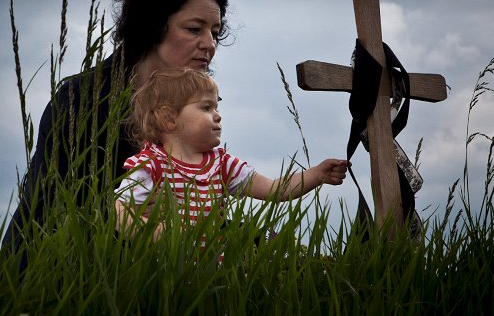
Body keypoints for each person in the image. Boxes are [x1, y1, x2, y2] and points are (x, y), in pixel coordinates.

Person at [2, 0, 231, 271]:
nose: (209, 44)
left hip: (153, 274)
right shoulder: (81, 99)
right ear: (154, 26)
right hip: (58, 275)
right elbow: (57, 208)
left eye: (214, 32)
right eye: (194, 29)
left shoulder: (192, 108)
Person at [114, 68, 350, 241]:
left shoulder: (222, 164)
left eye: (217, 107)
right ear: (169, 118)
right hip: (165, 274)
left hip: (214, 274)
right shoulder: (151, 165)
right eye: (206, 107)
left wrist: (316, 175)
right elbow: (118, 211)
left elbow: (276, 189)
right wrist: (158, 232)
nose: (218, 115)